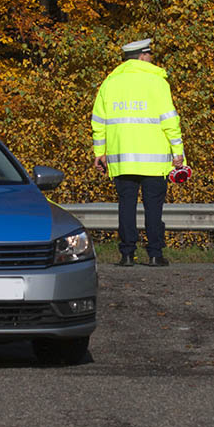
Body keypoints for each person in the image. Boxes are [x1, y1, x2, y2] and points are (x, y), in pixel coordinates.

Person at [91, 38, 184, 267]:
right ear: (142, 56)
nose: (151, 58)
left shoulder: (110, 83)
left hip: (122, 159)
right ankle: (154, 254)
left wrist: (99, 152)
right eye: (149, 54)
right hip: (154, 161)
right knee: (153, 208)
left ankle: (127, 254)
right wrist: (178, 151)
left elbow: (98, 122)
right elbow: (169, 120)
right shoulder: (157, 81)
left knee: (126, 206)